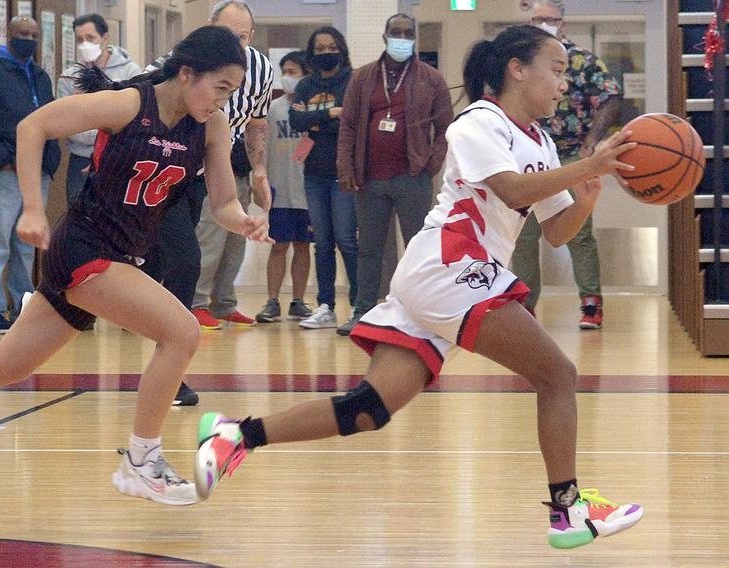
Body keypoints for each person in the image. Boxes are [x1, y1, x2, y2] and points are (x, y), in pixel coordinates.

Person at [194, 25, 643, 549]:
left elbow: (555, 230)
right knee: (557, 374)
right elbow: (509, 188)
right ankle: (568, 511)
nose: (563, 85)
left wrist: (585, 196)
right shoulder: (481, 121)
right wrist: (586, 164)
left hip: (451, 277)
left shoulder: (541, 141)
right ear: (517, 70)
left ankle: (234, 435)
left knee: (369, 409)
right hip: (450, 266)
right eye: (558, 70)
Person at [0, 26, 270, 507]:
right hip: (84, 249)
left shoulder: (212, 127)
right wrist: (33, 207)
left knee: (7, 365)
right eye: (220, 88)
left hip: (114, 256)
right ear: (187, 73)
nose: (223, 101)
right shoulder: (129, 105)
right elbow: (33, 127)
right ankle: (142, 461)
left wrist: (244, 222)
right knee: (182, 333)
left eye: (232, 93)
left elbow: (222, 202)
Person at [335, 13, 453, 336]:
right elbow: (347, 125)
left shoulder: (431, 78)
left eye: (407, 33)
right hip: (369, 178)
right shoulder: (363, 78)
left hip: (411, 178)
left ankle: (417, 313)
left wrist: (430, 165)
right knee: (370, 249)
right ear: (385, 37)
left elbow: (445, 129)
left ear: (414, 38)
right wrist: (345, 167)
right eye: (395, 32)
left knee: (417, 248)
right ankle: (364, 311)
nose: (401, 37)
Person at [510, 0, 623, 329]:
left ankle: (591, 304)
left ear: (563, 23)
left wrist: (593, 139)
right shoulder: (521, 65)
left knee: (579, 232)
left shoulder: (582, 60)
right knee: (524, 233)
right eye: (538, 19)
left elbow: (610, 96)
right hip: (532, 153)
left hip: (573, 151)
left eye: (551, 19)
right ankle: (525, 305)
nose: (545, 24)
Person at [0, 16, 58, 334]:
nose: (28, 39)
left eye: (33, 35)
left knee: (27, 246)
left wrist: (50, 161)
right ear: (8, 36)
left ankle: (22, 307)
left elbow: (51, 119)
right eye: (22, 34)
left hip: (38, 171)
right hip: (5, 171)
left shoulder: (41, 75)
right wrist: (1, 159)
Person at [189, 0, 274, 330]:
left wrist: (260, 171)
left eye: (241, 37)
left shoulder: (263, 69)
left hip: (233, 157)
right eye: (226, 33)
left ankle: (224, 302)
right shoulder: (191, 59)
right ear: (210, 25)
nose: (234, 43)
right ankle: (196, 302)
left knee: (236, 237)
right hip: (193, 158)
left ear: (251, 36)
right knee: (207, 235)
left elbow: (258, 123)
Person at [290, 26, 358, 330]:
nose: (326, 53)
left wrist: (316, 120)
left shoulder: (353, 81)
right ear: (312, 53)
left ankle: (361, 305)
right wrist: (331, 115)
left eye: (331, 47)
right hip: (314, 173)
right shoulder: (305, 85)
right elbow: (296, 120)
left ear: (341, 49)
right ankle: (326, 305)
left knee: (347, 240)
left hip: (343, 174)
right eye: (320, 49)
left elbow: (353, 121)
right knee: (322, 242)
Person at [255, 51, 315, 323]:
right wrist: (261, 179)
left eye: (294, 71)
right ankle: (272, 301)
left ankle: (298, 301)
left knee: (303, 246)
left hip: (309, 189)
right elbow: (262, 147)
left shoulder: (315, 107)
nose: (288, 77)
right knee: (278, 245)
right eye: (285, 71)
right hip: (280, 187)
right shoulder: (273, 108)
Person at [57, 13, 141, 208]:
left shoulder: (129, 72)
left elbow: (134, 121)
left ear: (105, 38)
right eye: (80, 39)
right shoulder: (70, 77)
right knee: (78, 213)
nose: (85, 44)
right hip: (81, 158)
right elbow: (66, 124)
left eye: (90, 38)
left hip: (119, 157)